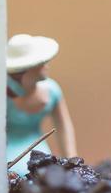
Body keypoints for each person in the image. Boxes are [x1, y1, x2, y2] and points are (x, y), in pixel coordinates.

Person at [5, 33, 78, 174]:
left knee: (46, 173)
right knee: (19, 172)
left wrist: (72, 160)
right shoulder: (4, 95)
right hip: (8, 149)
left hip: (38, 147)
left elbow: (63, 126)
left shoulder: (52, 91)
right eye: (40, 63)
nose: (46, 65)